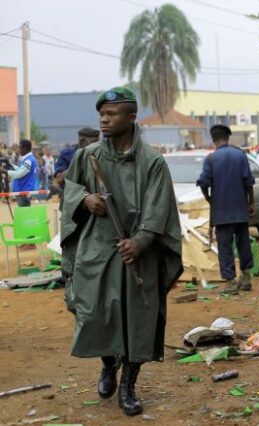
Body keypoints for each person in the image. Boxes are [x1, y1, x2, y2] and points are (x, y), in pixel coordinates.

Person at [60, 87, 183, 417]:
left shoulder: (152, 161)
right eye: (102, 113)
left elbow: (161, 208)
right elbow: (69, 191)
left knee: (137, 319)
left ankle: (128, 384)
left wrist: (141, 241)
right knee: (96, 312)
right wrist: (85, 200)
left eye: (111, 113)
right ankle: (107, 363)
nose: (104, 118)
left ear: (131, 118)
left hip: (138, 254)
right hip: (97, 250)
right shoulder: (88, 157)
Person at [197, 124, 256, 295]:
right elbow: (249, 181)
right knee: (243, 243)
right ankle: (246, 278)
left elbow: (203, 183)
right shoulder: (240, 155)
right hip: (240, 209)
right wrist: (251, 203)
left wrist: (209, 199)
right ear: (227, 138)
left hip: (221, 211)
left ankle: (230, 283)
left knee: (225, 246)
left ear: (214, 139)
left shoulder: (211, 159)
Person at [53, 128, 101, 208]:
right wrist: (79, 162)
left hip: (95, 202)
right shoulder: (66, 154)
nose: (97, 145)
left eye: (98, 141)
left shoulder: (100, 152)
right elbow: (59, 179)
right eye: (93, 142)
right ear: (82, 141)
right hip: (72, 203)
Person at [0, 139, 38, 207]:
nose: (19, 150)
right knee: (25, 211)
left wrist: (4, 171)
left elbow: (19, 174)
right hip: (23, 189)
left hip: (24, 189)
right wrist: (11, 165)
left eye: (20, 148)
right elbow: (21, 170)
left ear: (25, 148)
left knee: (24, 212)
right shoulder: (28, 159)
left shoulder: (28, 160)